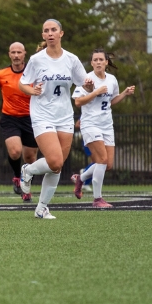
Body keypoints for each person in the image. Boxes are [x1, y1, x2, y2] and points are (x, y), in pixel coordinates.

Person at [18, 19, 94, 219]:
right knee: (54, 160)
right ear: (43, 36)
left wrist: (88, 86)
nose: (50, 33)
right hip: (42, 114)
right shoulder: (36, 60)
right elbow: (23, 84)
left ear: (61, 33)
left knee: (57, 166)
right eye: (46, 31)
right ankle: (28, 170)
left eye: (54, 30)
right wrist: (31, 90)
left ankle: (41, 208)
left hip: (65, 116)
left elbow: (85, 84)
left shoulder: (71, 59)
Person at [71, 49, 135, 207]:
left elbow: (111, 101)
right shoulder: (86, 79)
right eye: (95, 60)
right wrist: (95, 92)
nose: (98, 62)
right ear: (91, 63)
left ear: (106, 62)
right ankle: (97, 199)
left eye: (101, 59)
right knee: (101, 160)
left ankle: (81, 178)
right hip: (90, 124)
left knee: (108, 165)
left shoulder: (112, 79)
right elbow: (78, 102)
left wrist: (124, 94)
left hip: (107, 125)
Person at [0, 42, 38, 201]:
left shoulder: (34, 73)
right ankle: (17, 177)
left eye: (19, 52)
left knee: (30, 158)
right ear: (9, 54)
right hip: (10, 118)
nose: (16, 55)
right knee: (15, 151)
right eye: (13, 52)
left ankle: (26, 186)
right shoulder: (0, 75)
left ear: (24, 54)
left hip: (31, 118)